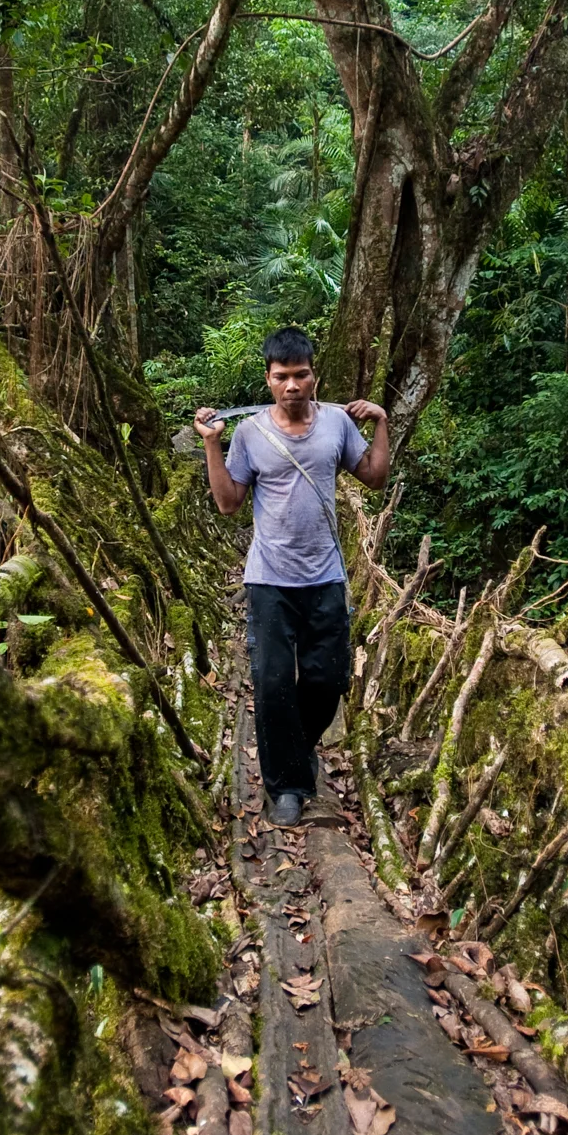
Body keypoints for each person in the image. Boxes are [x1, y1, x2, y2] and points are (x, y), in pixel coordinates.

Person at [194, 326, 392, 827]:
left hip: (325, 575)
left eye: (300, 375)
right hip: (269, 580)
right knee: (274, 681)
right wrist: (212, 446)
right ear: (268, 380)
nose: (292, 386)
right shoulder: (249, 433)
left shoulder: (336, 426)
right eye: (281, 377)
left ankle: (299, 747)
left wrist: (382, 422)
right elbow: (227, 503)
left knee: (328, 678)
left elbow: (372, 476)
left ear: (314, 377)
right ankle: (287, 786)